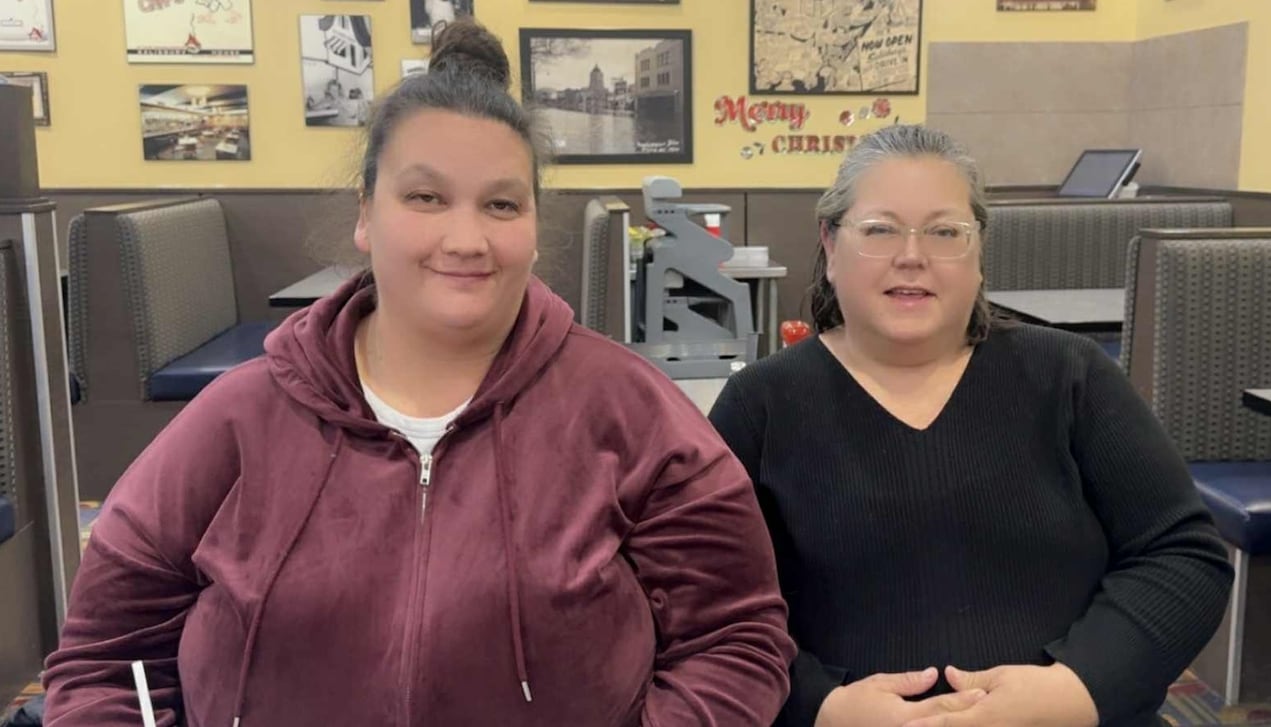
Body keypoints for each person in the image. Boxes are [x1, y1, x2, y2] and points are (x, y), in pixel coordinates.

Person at [43, 20, 794, 726]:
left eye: (501, 203)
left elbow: (738, 636)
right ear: (367, 211)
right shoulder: (236, 418)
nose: (466, 238)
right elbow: (107, 658)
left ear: (534, 226)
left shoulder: (631, 412)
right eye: (426, 197)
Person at [709, 125, 1233, 727]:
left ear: (978, 251)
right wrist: (820, 706)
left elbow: (1181, 554)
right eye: (879, 229)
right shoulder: (760, 405)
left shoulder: (1070, 376)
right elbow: (714, 604)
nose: (912, 255)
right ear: (830, 246)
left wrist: (1078, 691)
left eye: (944, 231)